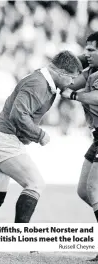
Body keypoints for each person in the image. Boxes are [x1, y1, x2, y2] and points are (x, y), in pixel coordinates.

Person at [0, 50, 82, 257]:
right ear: (59, 71)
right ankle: (22, 236)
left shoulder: (42, 81)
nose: (72, 82)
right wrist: (39, 134)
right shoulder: (38, 83)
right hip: (4, 140)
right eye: (71, 77)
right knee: (35, 183)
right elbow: (18, 114)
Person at [60, 31, 98, 262]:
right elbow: (71, 82)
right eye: (86, 49)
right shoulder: (91, 72)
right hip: (96, 137)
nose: (87, 54)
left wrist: (73, 95)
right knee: (84, 190)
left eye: (92, 50)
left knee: (93, 189)